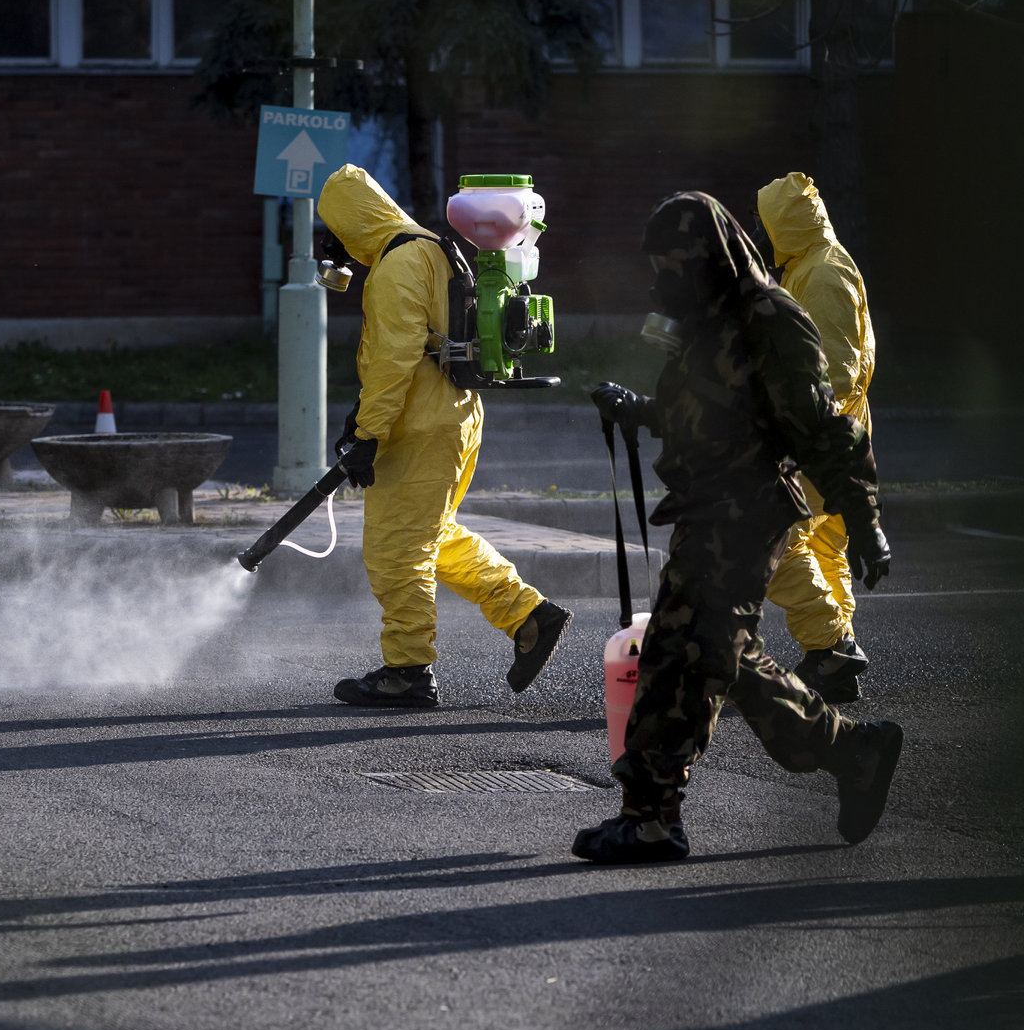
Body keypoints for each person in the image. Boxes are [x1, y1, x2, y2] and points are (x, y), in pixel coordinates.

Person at [574, 191, 903, 863]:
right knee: (727, 660)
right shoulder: (704, 318)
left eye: (672, 263)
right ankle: (853, 751)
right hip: (705, 510)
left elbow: (823, 432)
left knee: (677, 658)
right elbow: (703, 414)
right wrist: (637, 410)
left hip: (747, 516)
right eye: (656, 264)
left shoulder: (771, 320)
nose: (661, 277)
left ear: (709, 256)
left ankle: (652, 817)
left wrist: (865, 523)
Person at [316, 164, 571, 709]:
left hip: (420, 426)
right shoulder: (429, 246)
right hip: (452, 416)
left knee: (396, 549)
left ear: (351, 222)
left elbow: (394, 357)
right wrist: (360, 419)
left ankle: (407, 671)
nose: (333, 247)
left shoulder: (396, 265)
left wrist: (368, 433)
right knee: (432, 537)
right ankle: (528, 615)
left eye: (333, 232)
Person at [749, 172, 879, 703]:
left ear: (785, 225)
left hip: (815, 439)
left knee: (772, 541)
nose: (759, 232)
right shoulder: (813, 265)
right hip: (832, 439)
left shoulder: (821, 275)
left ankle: (830, 647)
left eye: (764, 222)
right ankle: (836, 652)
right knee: (822, 542)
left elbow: (834, 373)